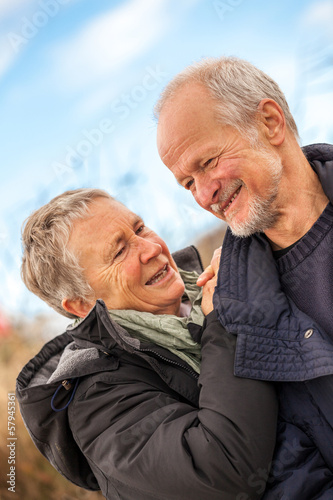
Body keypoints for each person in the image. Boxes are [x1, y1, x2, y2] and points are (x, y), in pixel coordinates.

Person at [17, 188, 277, 500]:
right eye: (118, 252)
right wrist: (224, 322)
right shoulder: (98, 406)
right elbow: (224, 471)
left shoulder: (219, 287)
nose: (151, 248)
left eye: (139, 228)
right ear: (82, 305)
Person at [156, 56, 333, 498]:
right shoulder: (233, 316)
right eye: (186, 183)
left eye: (209, 161)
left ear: (270, 122)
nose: (203, 194)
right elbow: (293, 478)